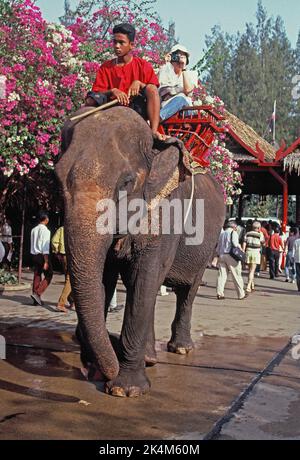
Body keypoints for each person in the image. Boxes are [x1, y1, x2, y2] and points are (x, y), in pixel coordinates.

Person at [85, 23, 164, 140]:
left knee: (151, 89)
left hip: (136, 109)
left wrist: (139, 84)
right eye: (114, 42)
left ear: (131, 45)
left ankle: (153, 132)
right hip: (112, 109)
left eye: (121, 43)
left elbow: (152, 90)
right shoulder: (105, 67)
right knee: (90, 99)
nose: (117, 46)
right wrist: (112, 91)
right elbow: (97, 92)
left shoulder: (143, 65)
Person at [158, 44, 198, 121]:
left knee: (181, 98)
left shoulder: (192, 74)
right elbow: (160, 89)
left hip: (185, 109)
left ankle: (157, 119)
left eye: (183, 56)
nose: (179, 59)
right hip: (166, 105)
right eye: (177, 56)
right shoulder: (165, 71)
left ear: (187, 60)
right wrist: (166, 64)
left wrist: (183, 69)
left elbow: (187, 90)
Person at [216, 221, 246, 301]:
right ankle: (241, 294)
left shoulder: (222, 234)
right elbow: (235, 244)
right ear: (234, 227)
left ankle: (220, 293)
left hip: (222, 255)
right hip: (231, 256)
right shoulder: (233, 233)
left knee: (221, 275)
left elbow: (218, 247)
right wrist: (241, 250)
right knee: (236, 275)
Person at [30, 212, 53, 306]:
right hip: (42, 255)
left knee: (37, 275)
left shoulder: (33, 230)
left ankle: (36, 298)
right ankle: (38, 293)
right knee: (49, 274)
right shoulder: (46, 231)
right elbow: (45, 247)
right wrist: (46, 261)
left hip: (34, 254)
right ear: (46, 219)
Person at [51, 226, 74, 314]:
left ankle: (72, 301)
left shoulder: (61, 229)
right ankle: (61, 303)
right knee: (70, 280)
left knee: (69, 279)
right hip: (72, 256)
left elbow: (54, 241)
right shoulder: (74, 228)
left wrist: (56, 251)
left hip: (64, 256)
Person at [243, 221, 265, 293]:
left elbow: (244, 243)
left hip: (248, 252)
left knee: (250, 270)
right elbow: (263, 243)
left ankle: (252, 284)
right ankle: (248, 286)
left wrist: (243, 251)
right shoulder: (260, 234)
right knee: (252, 271)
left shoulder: (248, 233)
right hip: (255, 253)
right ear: (259, 228)